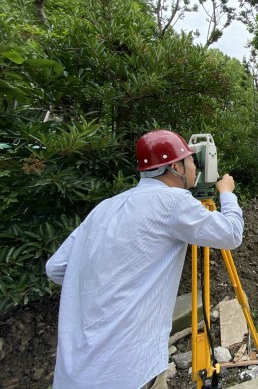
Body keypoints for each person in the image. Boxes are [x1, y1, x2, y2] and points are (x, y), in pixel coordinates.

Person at [46, 130, 244, 389]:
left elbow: (56, 268)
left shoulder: (104, 207)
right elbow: (231, 234)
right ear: (175, 167)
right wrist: (226, 193)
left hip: (73, 374)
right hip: (128, 373)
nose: (195, 167)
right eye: (190, 161)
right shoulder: (173, 203)